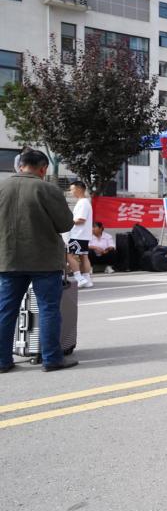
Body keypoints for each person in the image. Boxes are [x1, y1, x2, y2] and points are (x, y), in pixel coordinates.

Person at [0, 150, 78, 372]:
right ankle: (52, 359)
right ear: (43, 168)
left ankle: (2, 361)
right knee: (48, 309)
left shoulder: (2, 187)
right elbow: (65, 224)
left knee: (6, 310)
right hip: (44, 260)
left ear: (19, 165)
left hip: (8, 259)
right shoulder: (47, 189)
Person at [66, 181, 94, 289]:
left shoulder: (83, 203)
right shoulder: (85, 202)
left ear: (79, 189)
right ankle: (87, 279)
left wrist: (68, 222)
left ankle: (79, 278)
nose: (71, 192)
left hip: (78, 235)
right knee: (84, 256)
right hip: (83, 235)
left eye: (72, 189)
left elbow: (81, 220)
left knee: (68, 255)